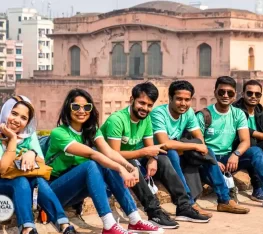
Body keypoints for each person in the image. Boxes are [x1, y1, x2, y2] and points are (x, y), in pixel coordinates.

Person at [45, 89, 162, 234]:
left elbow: (110, 152)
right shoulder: (59, 133)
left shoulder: (91, 130)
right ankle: (109, 225)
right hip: (53, 192)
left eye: (86, 107)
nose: (81, 111)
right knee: (92, 164)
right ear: (68, 108)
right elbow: (92, 153)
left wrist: (129, 167)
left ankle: (134, 219)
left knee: (107, 164)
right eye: (76, 107)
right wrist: (121, 169)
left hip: (76, 190)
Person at [101, 82, 209, 229]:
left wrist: (153, 158)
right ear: (131, 100)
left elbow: (150, 146)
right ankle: (154, 211)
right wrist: (144, 153)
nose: (145, 108)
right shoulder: (117, 120)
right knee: (132, 164)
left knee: (163, 158)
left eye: (149, 105)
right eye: (141, 103)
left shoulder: (145, 119)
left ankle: (184, 206)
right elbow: (113, 153)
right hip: (111, 162)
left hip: (134, 157)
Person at [150, 80, 250, 214]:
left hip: (178, 151)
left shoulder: (188, 112)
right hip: (157, 156)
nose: (183, 103)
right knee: (174, 152)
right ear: (170, 98)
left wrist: (201, 149)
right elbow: (165, 143)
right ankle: (188, 203)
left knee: (205, 150)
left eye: (187, 99)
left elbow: (199, 138)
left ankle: (224, 200)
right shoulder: (159, 113)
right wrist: (194, 146)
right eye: (179, 99)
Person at [195, 76, 263, 210]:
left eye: (230, 92)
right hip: (209, 160)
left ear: (235, 95)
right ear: (215, 92)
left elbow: (245, 140)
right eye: (222, 92)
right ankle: (226, 197)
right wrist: (214, 161)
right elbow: (200, 144)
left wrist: (236, 154)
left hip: (229, 158)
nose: (225, 95)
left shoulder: (238, 114)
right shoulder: (204, 115)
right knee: (209, 152)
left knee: (256, 151)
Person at [0, 96, 76, 234]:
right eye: (14, 113)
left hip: (21, 185)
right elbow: (2, 169)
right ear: (5, 111)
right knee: (21, 180)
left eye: (24, 118)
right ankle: (27, 228)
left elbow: (41, 165)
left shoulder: (29, 135)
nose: (17, 120)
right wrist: (11, 139)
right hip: (3, 184)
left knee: (38, 179)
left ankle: (63, 225)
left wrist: (32, 152)